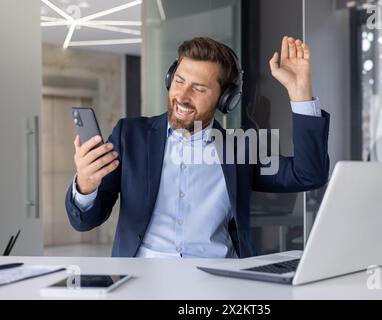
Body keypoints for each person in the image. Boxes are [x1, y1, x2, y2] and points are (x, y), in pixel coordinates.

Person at [65, 36, 330, 258]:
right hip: (142, 280)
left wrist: (300, 93)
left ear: (226, 99)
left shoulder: (240, 147)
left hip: (218, 279)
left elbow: (308, 174)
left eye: (199, 88)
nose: (182, 95)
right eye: (179, 81)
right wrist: (85, 186)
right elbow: (84, 220)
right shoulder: (130, 135)